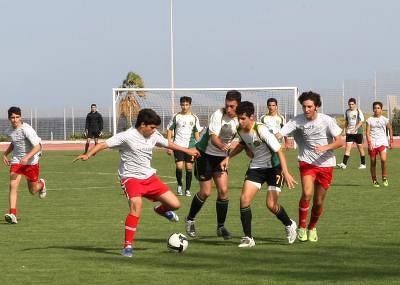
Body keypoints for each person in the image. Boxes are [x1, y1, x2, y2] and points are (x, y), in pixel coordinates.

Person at [74, 108, 199, 258]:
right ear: (143, 125)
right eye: (152, 127)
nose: (154, 131)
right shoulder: (126, 136)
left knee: (175, 205)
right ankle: (127, 246)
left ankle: (161, 210)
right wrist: (88, 155)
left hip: (149, 177)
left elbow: (168, 144)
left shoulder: (153, 134)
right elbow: (103, 145)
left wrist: (187, 151)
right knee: (136, 207)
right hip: (130, 178)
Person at [220, 101, 297, 247]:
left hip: (274, 168)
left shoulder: (261, 130)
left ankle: (289, 224)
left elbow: (279, 151)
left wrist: (286, 172)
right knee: (244, 200)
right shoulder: (240, 130)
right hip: (256, 167)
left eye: (243, 118)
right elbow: (242, 146)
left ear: (251, 117)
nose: (240, 121)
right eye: (239, 118)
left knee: (271, 204)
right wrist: (228, 158)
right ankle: (248, 238)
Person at [277, 91, 344, 242]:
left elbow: (340, 142)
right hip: (307, 162)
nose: (306, 109)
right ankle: (301, 226)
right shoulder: (297, 121)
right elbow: (280, 134)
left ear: (316, 107)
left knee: (319, 201)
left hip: (326, 164)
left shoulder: (327, 120)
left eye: (309, 106)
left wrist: (325, 147)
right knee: (307, 193)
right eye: (304, 107)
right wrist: (270, 137)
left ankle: (312, 227)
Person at [185, 90, 241, 240]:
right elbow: (214, 138)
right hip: (205, 155)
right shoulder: (218, 114)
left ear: (238, 105)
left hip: (221, 158)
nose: (229, 109)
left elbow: (244, 139)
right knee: (206, 192)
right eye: (227, 105)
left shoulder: (240, 119)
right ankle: (190, 219)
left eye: (232, 106)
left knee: (223, 191)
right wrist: (225, 147)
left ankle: (221, 227)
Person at [2, 107, 47, 224]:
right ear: (9, 118)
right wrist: (5, 154)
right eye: (12, 117)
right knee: (13, 185)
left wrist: (27, 157)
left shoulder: (27, 129)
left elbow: (38, 147)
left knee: (32, 190)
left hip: (31, 162)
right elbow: (14, 143)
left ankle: (41, 185)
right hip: (17, 161)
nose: (15, 120)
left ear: (20, 117)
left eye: (17, 117)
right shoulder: (9, 131)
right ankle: (13, 214)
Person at [166, 96, 201, 197]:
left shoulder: (194, 117)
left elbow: (196, 133)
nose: (184, 107)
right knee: (179, 166)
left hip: (190, 146)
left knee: (189, 166)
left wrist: (199, 147)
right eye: (182, 104)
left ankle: (188, 189)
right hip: (178, 145)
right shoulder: (176, 116)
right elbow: (169, 130)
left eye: (186, 105)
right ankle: (180, 185)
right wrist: (168, 146)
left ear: (190, 105)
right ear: (180, 105)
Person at [365, 101, 393, 187]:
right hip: (373, 144)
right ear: (373, 109)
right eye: (375, 108)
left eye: (378, 108)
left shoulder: (385, 119)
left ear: (381, 109)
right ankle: (374, 180)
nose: (376, 110)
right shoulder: (369, 120)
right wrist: (369, 144)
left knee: (383, 160)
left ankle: (384, 178)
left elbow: (390, 129)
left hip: (382, 143)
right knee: (373, 162)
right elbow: (367, 133)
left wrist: (390, 140)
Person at [337, 98, 366, 169]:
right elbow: (347, 122)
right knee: (347, 148)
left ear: (355, 104)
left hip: (358, 132)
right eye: (349, 104)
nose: (351, 105)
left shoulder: (359, 111)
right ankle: (344, 164)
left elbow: (361, 122)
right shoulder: (347, 111)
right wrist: (344, 130)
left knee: (360, 148)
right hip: (349, 133)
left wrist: (355, 129)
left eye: (352, 104)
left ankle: (363, 164)